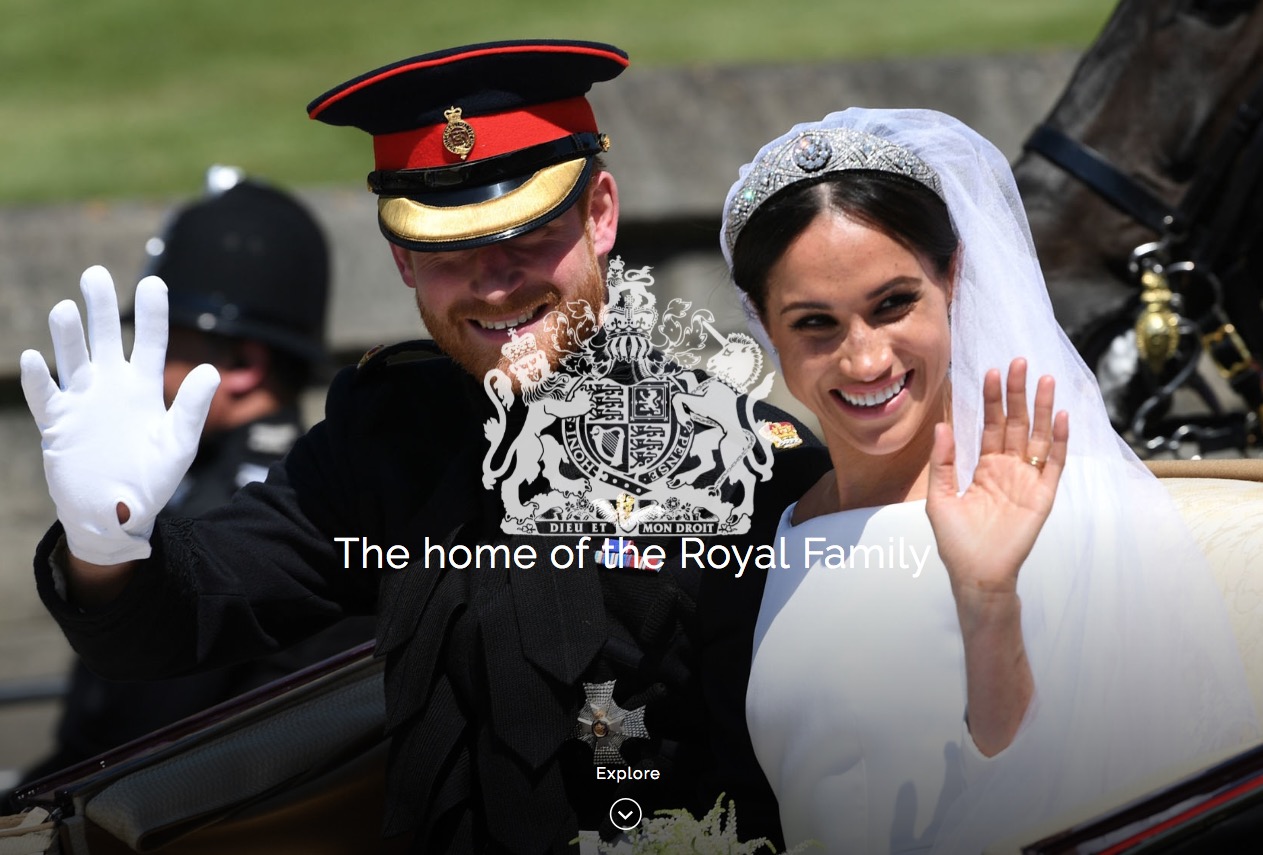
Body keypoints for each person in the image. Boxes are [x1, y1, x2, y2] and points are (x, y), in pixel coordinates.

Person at [18, 41, 826, 852]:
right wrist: (107, 539)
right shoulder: (388, 437)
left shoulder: (747, 466)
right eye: (448, 248)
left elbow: (790, 789)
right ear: (403, 257)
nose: (495, 280)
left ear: (600, 215)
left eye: (529, 234)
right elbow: (185, 619)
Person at [719, 108, 1259, 854]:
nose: (865, 359)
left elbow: (1092, 802)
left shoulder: (1043, 511)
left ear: (952, 277)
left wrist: (987, 602)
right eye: (815, 322)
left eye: (893, 303)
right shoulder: (790, 519)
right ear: (761, 323)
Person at [15, 171, 376, 787]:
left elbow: (123, 747)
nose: (145, 374)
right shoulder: (247, 484)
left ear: (240, 365)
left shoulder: (244, 516)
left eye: (164, 346)